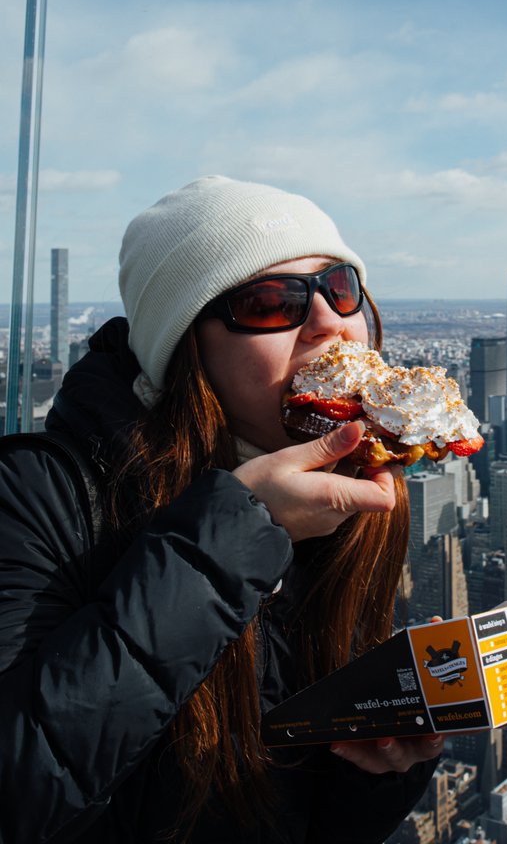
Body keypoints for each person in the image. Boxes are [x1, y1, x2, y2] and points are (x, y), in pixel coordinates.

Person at [0, 176, 443, 844]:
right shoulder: (33, 495)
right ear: (186, 348)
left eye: (340, 286)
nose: (328, 322)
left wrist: (380, 767)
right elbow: (18, 789)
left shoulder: (347, 499)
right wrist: (240, 534)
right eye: (271, 303)